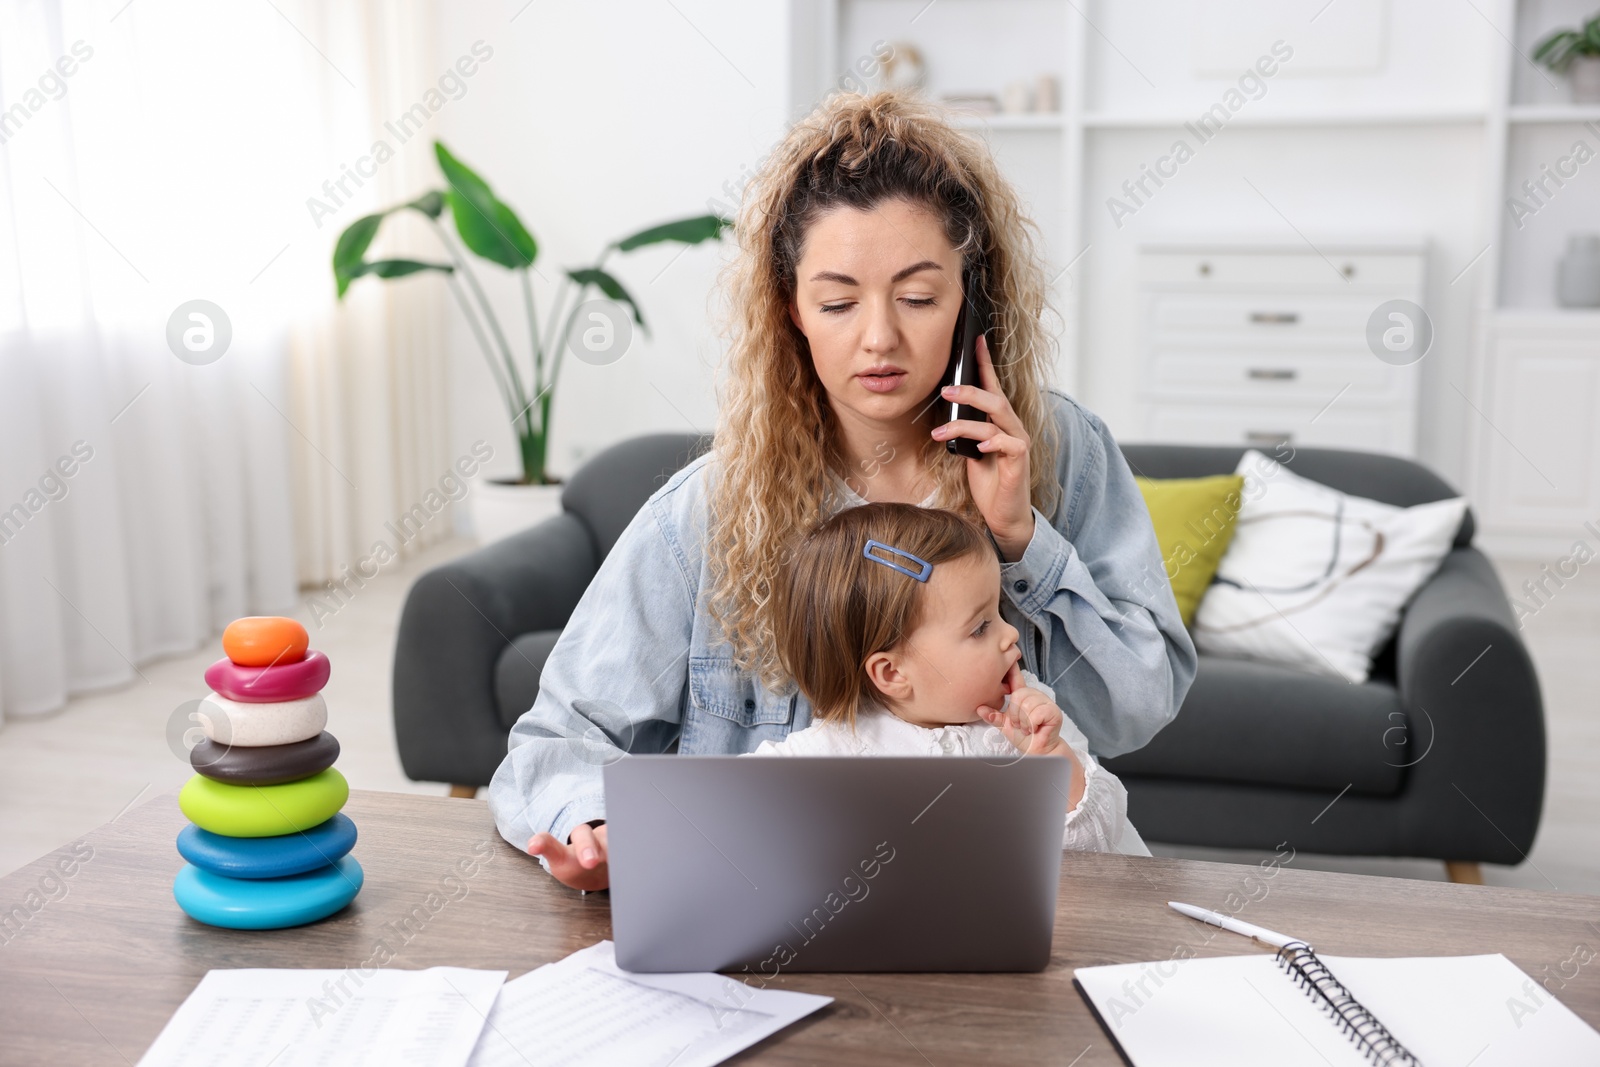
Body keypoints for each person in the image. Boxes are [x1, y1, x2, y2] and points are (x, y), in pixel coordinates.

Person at [489, 88, 1196, 891]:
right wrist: (594, 830)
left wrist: (1020, 537)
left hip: (1022, 911)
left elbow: (1138, 703)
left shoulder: (1062, 451)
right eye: (837, 301)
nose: (880, 338)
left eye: (920, 297)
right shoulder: (708, 511)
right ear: (790, 310)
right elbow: (558, 739)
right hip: (791, 927)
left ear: (972, 299)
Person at [747, 502, 1149, 856]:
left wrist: (1051, 759)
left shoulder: (1031, 718)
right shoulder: (828, 755)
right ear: (892, 673)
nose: (1010, 634)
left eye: (998, 612)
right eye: (980, 628)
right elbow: (725, 812)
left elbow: (1100, 845)